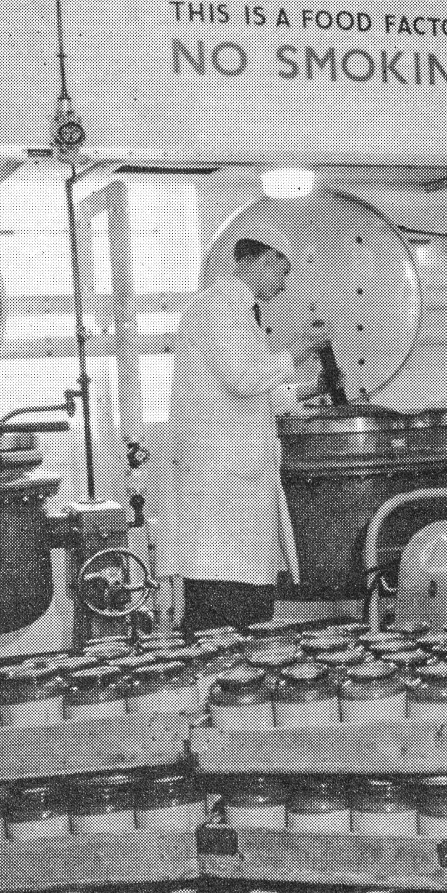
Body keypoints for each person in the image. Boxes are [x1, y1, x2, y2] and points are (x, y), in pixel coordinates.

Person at [167, 220, 331, 636]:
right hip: (225, 502)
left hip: (231, 500)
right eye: (284, 269)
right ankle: (217, 699)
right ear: (264, 259)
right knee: (228, 622)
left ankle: (222, 697)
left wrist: (293, 378)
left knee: (236, 615)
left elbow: (254, 383)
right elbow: (246, 378)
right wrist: (299, 356)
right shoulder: (220, 308)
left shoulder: (233, 311)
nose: (284, 282)